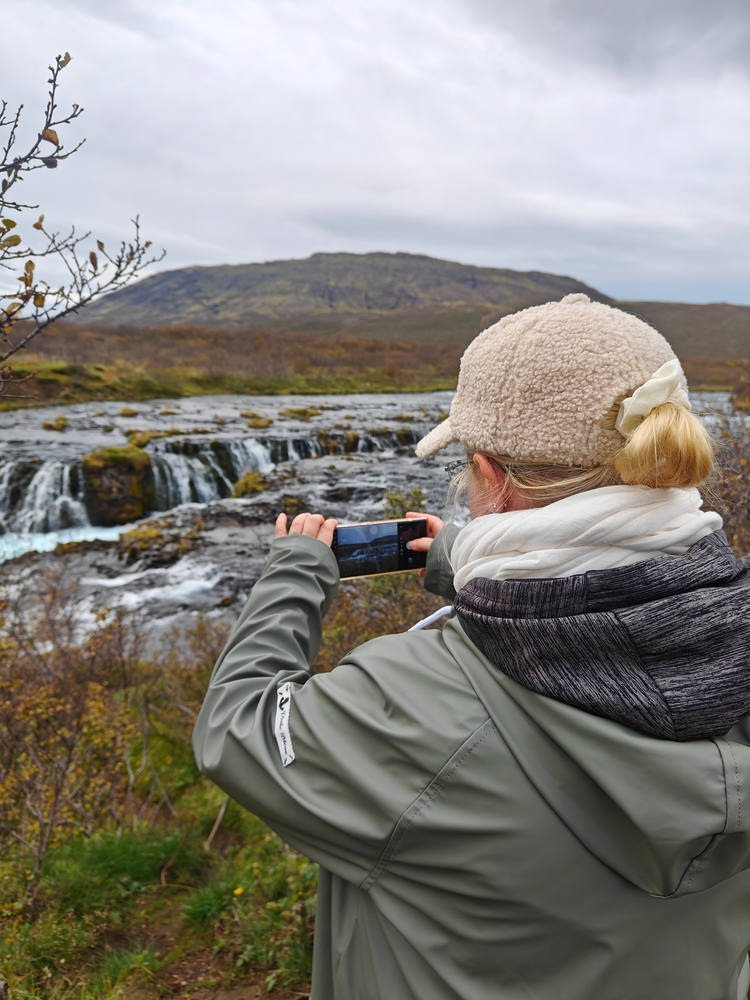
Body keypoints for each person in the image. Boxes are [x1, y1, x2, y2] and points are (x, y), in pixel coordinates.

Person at [193, 293, 750, 1000]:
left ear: (490, 478)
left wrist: (295, 574)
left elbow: (237, 726)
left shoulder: (410, 709)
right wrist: (465, 562)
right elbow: (615, 614)